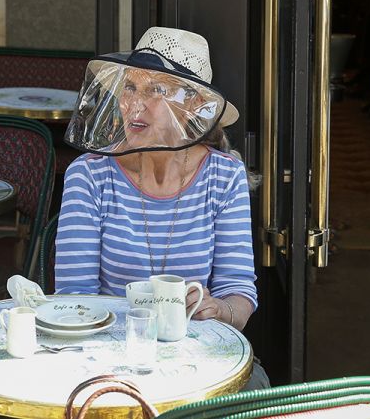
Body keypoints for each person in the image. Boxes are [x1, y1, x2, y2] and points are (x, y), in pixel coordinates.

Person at [57, 27, 268, 388]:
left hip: (199, 361)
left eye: (155, 90)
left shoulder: (224, 176)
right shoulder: (89, 175)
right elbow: (74, 297)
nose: (133, 104)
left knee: (252, 391)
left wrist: (220, 309)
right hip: (109, 358)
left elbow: (239, 293)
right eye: (129, 86)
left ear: (192, 105)